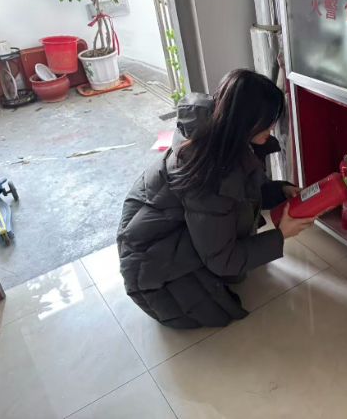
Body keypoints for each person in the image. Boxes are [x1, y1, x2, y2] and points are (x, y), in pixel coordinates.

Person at [117, 69, 314, 329]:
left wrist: (281, 191)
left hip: (155, 242)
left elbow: (239, 195)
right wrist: (280, 235)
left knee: (229, 238)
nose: (272, 128)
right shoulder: (209, 175)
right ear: (245, 122)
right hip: (155, 281)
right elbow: (223, 259)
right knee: (224, 282)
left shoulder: (218, 135)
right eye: (267, 123)